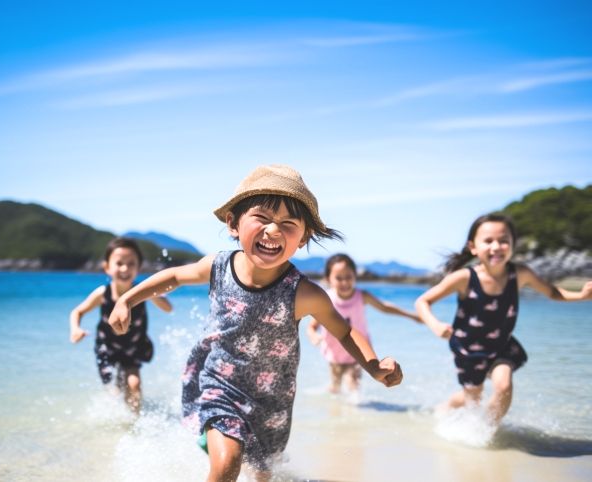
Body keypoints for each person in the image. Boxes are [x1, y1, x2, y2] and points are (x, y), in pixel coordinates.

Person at [107, 165, 403, 482]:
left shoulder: (304, 294)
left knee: (261, 476)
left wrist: (372, 365)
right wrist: (127, 300)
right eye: (262, 218)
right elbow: (176, 276)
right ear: (234, 223)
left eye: (288, 224)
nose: (274, 231)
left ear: (303, 238)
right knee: (227, 463)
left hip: (271, 403)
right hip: (218, 386)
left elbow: (343, 331)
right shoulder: (218, 266)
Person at [415, 213, 592, 425]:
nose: (496, 246)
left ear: (512, 245)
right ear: (473, 247)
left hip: (501, 344)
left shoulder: (520, 274)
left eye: (503, 241)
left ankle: (486, 431)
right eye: (488, 241)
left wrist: (581, 296)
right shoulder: (464, 278)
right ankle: (444, 409)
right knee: (473, 397)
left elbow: (552, 292)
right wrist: (435, 325)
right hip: (467, 348)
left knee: (503, 386)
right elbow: (422, 302)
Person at [69, 237, 173, 412]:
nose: (125, 268)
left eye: (131, 263)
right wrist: (75, 328)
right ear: (107, 267)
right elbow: (77, 312)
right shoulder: (102, 293)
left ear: (138, 267)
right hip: (107, 348)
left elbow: (168, 308)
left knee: (134, 383)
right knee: (114, 390)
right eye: (119, 263)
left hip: (133, 347)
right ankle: (117, 418)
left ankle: (135, 422)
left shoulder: (142, 292)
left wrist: (152, 294)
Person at [307, 253, 421, 396]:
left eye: (348, 277)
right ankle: (335, 412)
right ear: (328, 279)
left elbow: (384, 307)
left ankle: (353, 414)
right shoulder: (327, 299)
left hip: (359, 353)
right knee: (335, 387)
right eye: (339, 278)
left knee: (353, 388)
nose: (344, 282)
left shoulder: (362, 296)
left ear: (355, 276)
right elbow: (312, 326)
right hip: (334, 352)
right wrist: (313, 336)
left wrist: (411, 316)